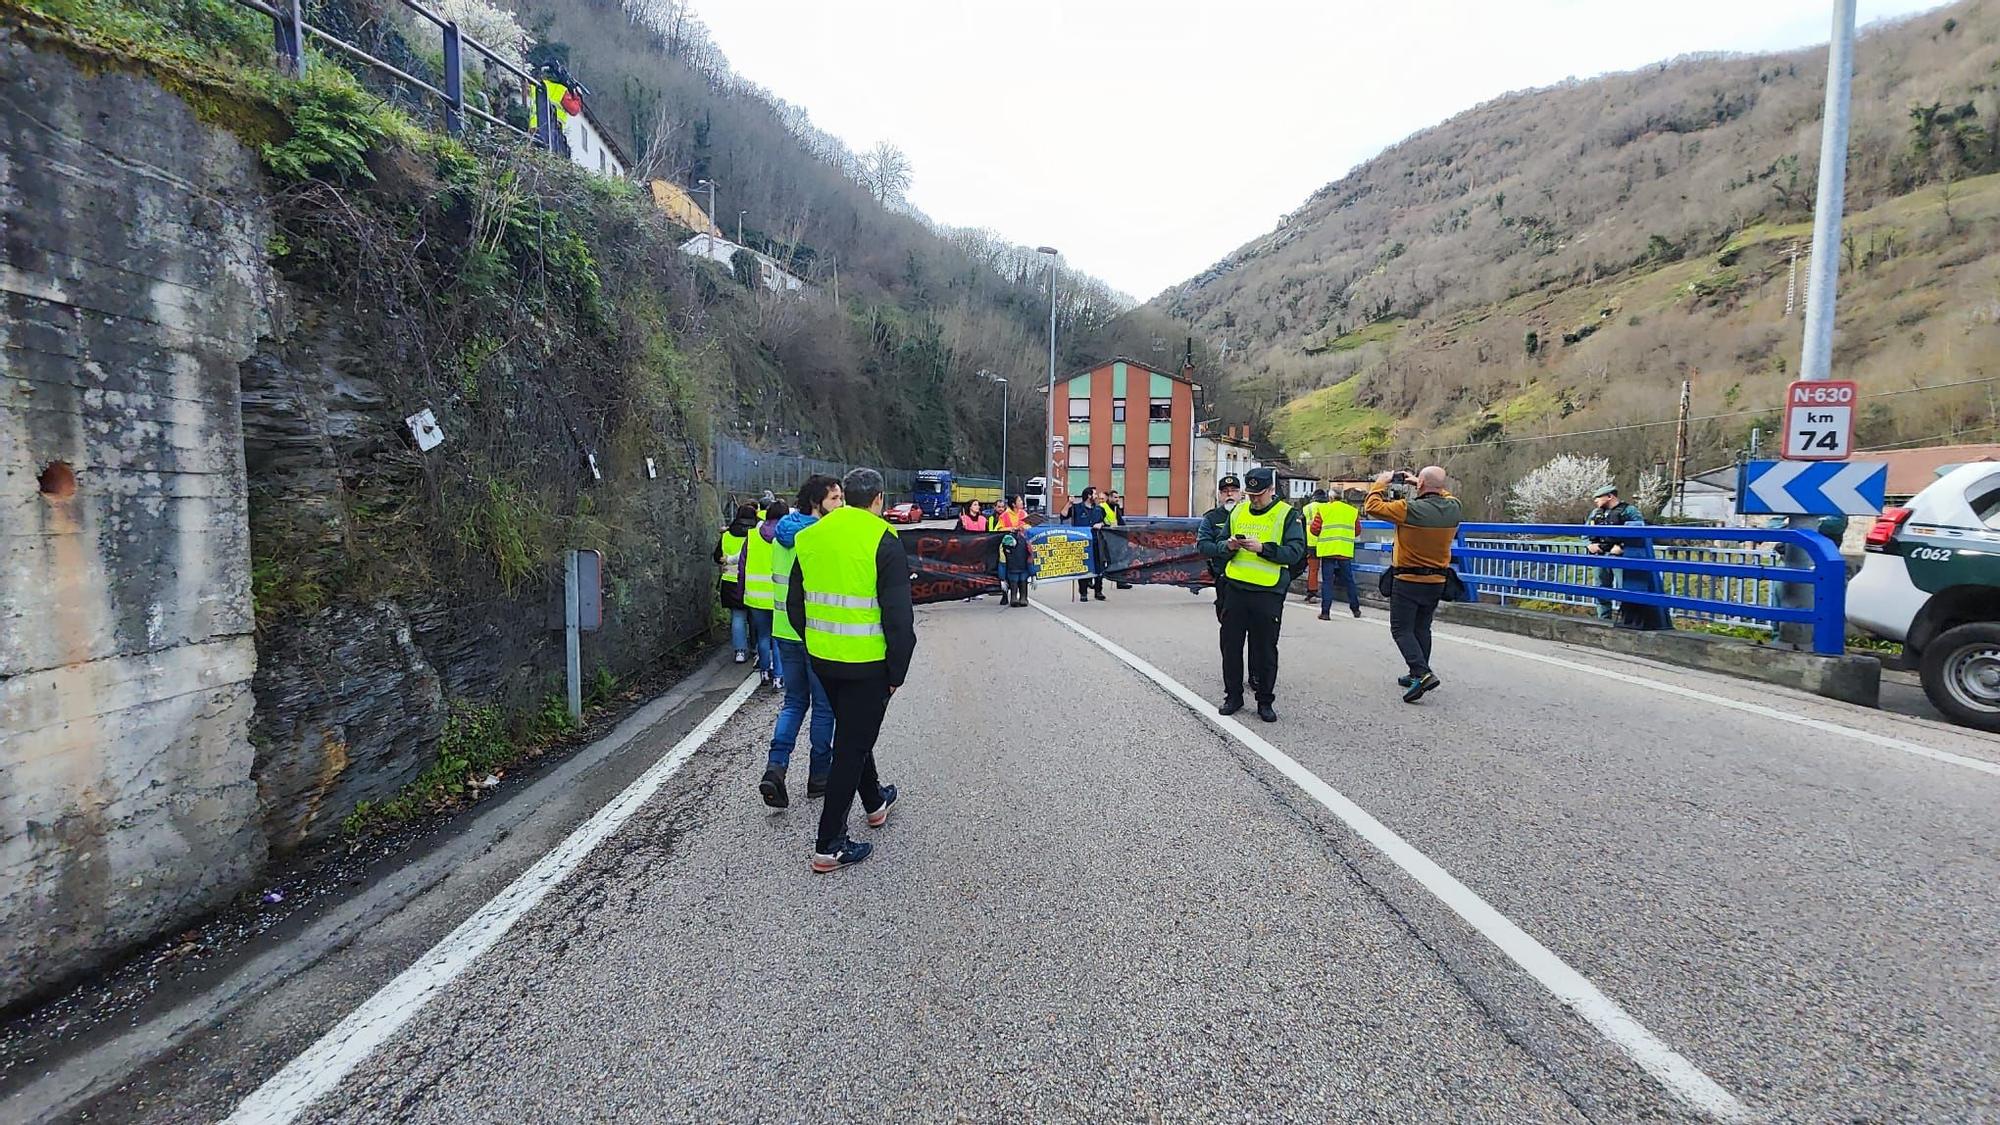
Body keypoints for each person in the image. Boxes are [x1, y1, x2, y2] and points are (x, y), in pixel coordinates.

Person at [787, 467, 913, 873]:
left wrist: (814, 642)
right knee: (852, 745)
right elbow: (898, 619)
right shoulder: (884, 540)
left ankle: (874, 802)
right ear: (878, 499)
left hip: (823, 658)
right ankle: (829, 845)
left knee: (854, 733)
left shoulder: (810, 536)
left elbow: (795, 605)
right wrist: (897, 672)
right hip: (868, 664)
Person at [1198, 466, 1306, 722]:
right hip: (1235, 588)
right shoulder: (1238, 510)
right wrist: (1229, 545)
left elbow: (1295, 552)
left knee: (1265, 650)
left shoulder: (1287, 515)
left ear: (1271, 490)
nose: (1254, 499)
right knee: (1230, 647)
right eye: (1250, 494)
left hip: (1267, 592)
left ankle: (1265, 701)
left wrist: (1264, 549)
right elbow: (1219, 543)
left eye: (1259, 494)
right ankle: (1233, 696)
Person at [761, 476, 841, 808]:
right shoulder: (820, 535)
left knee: (794, 703)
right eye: (835, 499)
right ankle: (819, 777)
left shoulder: (780, 533)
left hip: (783, 631)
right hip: (814, 633)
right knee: (824, 708)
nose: (841, 504)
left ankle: (775, 769)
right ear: (816, 501)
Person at [1365, 466, 1462, 703]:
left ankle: (1422, 672)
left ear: (1420, 486)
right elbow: (1444, 493)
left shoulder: (1409, 509)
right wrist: (1420, 481)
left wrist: (1381, 482)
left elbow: (1372, 507)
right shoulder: (1454, 507)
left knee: (1401, 629)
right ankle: (1416, 673)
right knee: (1422, 628)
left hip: (1408, 579)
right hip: (1437, 580)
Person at [744, 499, 788, 688]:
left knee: (763, 636)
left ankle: (764, 671)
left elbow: (741, 565)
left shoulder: (752, 535)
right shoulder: (786, 536)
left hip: (755, 595)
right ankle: (778, 676)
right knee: (777, 638)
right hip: (779, 595)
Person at [1194, 474, 1243, 618]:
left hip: (1248, 576)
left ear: (1240, 494)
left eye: (1233, 490)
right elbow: (1203, 545)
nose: (1229, 494)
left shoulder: (1249, 515)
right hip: (1223, 574)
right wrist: (1225, 548)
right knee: (1227, 619)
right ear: (1219, 495)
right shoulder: (1211, 518)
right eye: (1225, 491)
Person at [715, 503, 758, 663]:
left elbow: (717, 556)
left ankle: (740, 651)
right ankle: (756, 648)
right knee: (755, 617)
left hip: (730, 581)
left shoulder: (726, 535)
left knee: (737, 617)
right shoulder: (756, 534)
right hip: (751, 581)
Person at [1313, 488, 1363, 620]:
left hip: (1328, 550)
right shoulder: (1352, 511)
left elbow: (1314, 529)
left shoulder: (1323, 509)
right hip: (1344, 550)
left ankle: (1325, 612)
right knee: (1349, 580)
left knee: (1327, 582)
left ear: (1330, 498)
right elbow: (1357, 531)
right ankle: (1355, 609)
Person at [1066, 486, 1108, 602]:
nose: (1096, 496)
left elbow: (1105, 523)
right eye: (1094, 494)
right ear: (1089, 496)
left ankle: (1098, 591)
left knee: (1099, 566)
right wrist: (1069, 503)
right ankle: (1083, 592)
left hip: (1096, 541)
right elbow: (1063, 515)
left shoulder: (1099, 509)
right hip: (1082, 542)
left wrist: (1101, 525)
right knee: (1083, 567)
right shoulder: (1076, 508)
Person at [1300, 489, 1327, 604]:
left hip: (1311, 543)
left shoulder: (1307, 508)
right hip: (1327, 543)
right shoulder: (1329, 507)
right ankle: (1327, 594)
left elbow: (1300, 523)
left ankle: (1312, 593)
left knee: (1313, 570)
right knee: (1327, 571)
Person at [1000, 529, 1035, 607]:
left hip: (1023, 569)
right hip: (1012, 570)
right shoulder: (1004, 546)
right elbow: (1002, 563)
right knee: (1014, 582)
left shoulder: (1024, 542)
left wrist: (1033, 575)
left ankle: (1023, 597)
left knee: (1023, 581)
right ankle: (1014, 597)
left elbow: (1029, 559)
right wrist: (1002, 579)